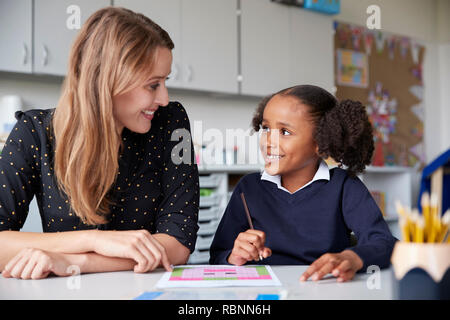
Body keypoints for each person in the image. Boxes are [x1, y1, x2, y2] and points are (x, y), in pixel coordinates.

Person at [0, 7, 199, 280]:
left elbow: (178, 243)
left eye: (165, 81)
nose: (164, 98)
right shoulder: (33, 133)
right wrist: (92, 240)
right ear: (109, 81)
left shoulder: (172, 123)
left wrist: (74, 262)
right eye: (153, 85)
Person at [209, 85, 398, 282]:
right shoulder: (249, 188)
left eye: (285, 132)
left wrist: (351, 257)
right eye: (266, 128)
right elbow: (217, 256)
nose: (268, 141)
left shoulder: (344, 187)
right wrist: (234, 256)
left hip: (322, 288)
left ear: (322, 142)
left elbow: (385, 243)